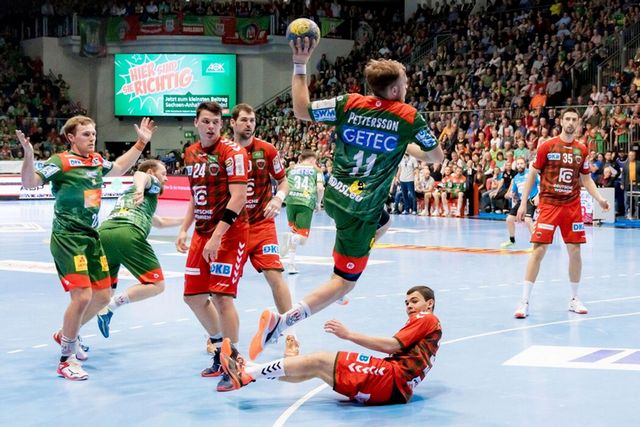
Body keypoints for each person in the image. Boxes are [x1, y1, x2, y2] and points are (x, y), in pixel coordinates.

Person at [247, 37, 444, 361]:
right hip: (359, 211)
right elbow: (435, 156)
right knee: (344, 283)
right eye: (406, 82)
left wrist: (300, 63)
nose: (408, 87)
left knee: (385, 222)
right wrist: (405, 144)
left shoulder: (349, 103)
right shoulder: (408, 117)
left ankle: (350, 261)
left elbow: (301, 110)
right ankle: (282, 323)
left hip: (336, 197)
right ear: (395, 89)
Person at [17, 116, 155, 380]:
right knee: (81, 297)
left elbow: (119, 168)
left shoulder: (96, 160)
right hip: (68, 238)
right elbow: (30, 182)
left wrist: (140, 143)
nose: (92, 138)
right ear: (71, 138)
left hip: (92, 237)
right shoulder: (60, 161)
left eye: (93, 133)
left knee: (102, 297)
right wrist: (29, 155)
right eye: (85, 134)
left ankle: (66, 334)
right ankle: (66, 360)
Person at [219, 286, 441, 406]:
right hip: (395, 390)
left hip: (391, 378)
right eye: (407, 302)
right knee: (313, 368)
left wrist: (348, 334)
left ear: (429, 303)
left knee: (320, 359)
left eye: (414, 301)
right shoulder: (427, 326)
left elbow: (391, 345)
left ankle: (247, 373)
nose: (409, 306)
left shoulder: (427, 318)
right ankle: (250, 370)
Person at [175, 101, 249, 391]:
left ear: (222, 125)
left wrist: (217, 236)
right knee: (193, 297)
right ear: (196, 122)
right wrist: (184, 228)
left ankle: (234, 362)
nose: (210, 127)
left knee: (221, 297)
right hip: (202, 232)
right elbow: (195, 195)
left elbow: (239, 197)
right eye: (205, 121)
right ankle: (220, 350)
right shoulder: (190, 152)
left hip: (229, 233)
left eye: (215, 122)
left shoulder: (233, 152)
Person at [514, 108, 610, 319]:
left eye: (574, 119)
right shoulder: (547, 146)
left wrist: (600, 199)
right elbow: (532, 174)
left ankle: (574, 298)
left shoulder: (581, 149)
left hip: (571, 207)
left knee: (575, 251)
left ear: (578, 123)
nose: (570, 122)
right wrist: (523, 204)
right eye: (567, 118)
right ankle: (524, 301)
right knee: (538, 250)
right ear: (561, 121)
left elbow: (586, 179)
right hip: (549, 205)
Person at [229, 103, 299, 357]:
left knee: (275, 276)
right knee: (222, 286)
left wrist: (278, 198)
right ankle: (220, 338)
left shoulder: (267, 150)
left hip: (261, 224)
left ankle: (290, 336)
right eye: (244, 120)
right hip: (232, 226)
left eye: (252, 120)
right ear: (233, 123)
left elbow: (283, 181)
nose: (249, 124)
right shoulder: (223, 151)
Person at [95, 159, 183, 338]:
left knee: (103, 295)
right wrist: (141, 189)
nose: (166, 178)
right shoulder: (150, 185)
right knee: (157, 285)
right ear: (152, 172)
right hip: (128, 233)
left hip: (103, 234)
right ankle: (114, 305)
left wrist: (188, 219)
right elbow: (140, 174)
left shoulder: (131, 196)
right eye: (163, 174)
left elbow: (160, 222)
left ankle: (69, 335)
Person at [281, 149, 325, 274]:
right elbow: (320, 188)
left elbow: (281, 182)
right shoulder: (317, 170)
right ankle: (290, 240)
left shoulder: (291, 168)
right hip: (305, 202)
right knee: (302, 239)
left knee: (295, 234)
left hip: (290, 201)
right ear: (312, 160)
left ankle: (291, 265)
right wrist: (318, 203)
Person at [500, 157, 539, 249]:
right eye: (518, 164)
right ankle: (512, 240)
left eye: (521, 163)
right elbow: (514, 192)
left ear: (525, 164)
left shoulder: (531, 173)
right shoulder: (516, 178)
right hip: (522, 201)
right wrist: (511, 195)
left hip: (531, 198)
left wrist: (538, 196)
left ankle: (536, 243)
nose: (520, 165)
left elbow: (540, 184)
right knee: (509, 219)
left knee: (528, 220)